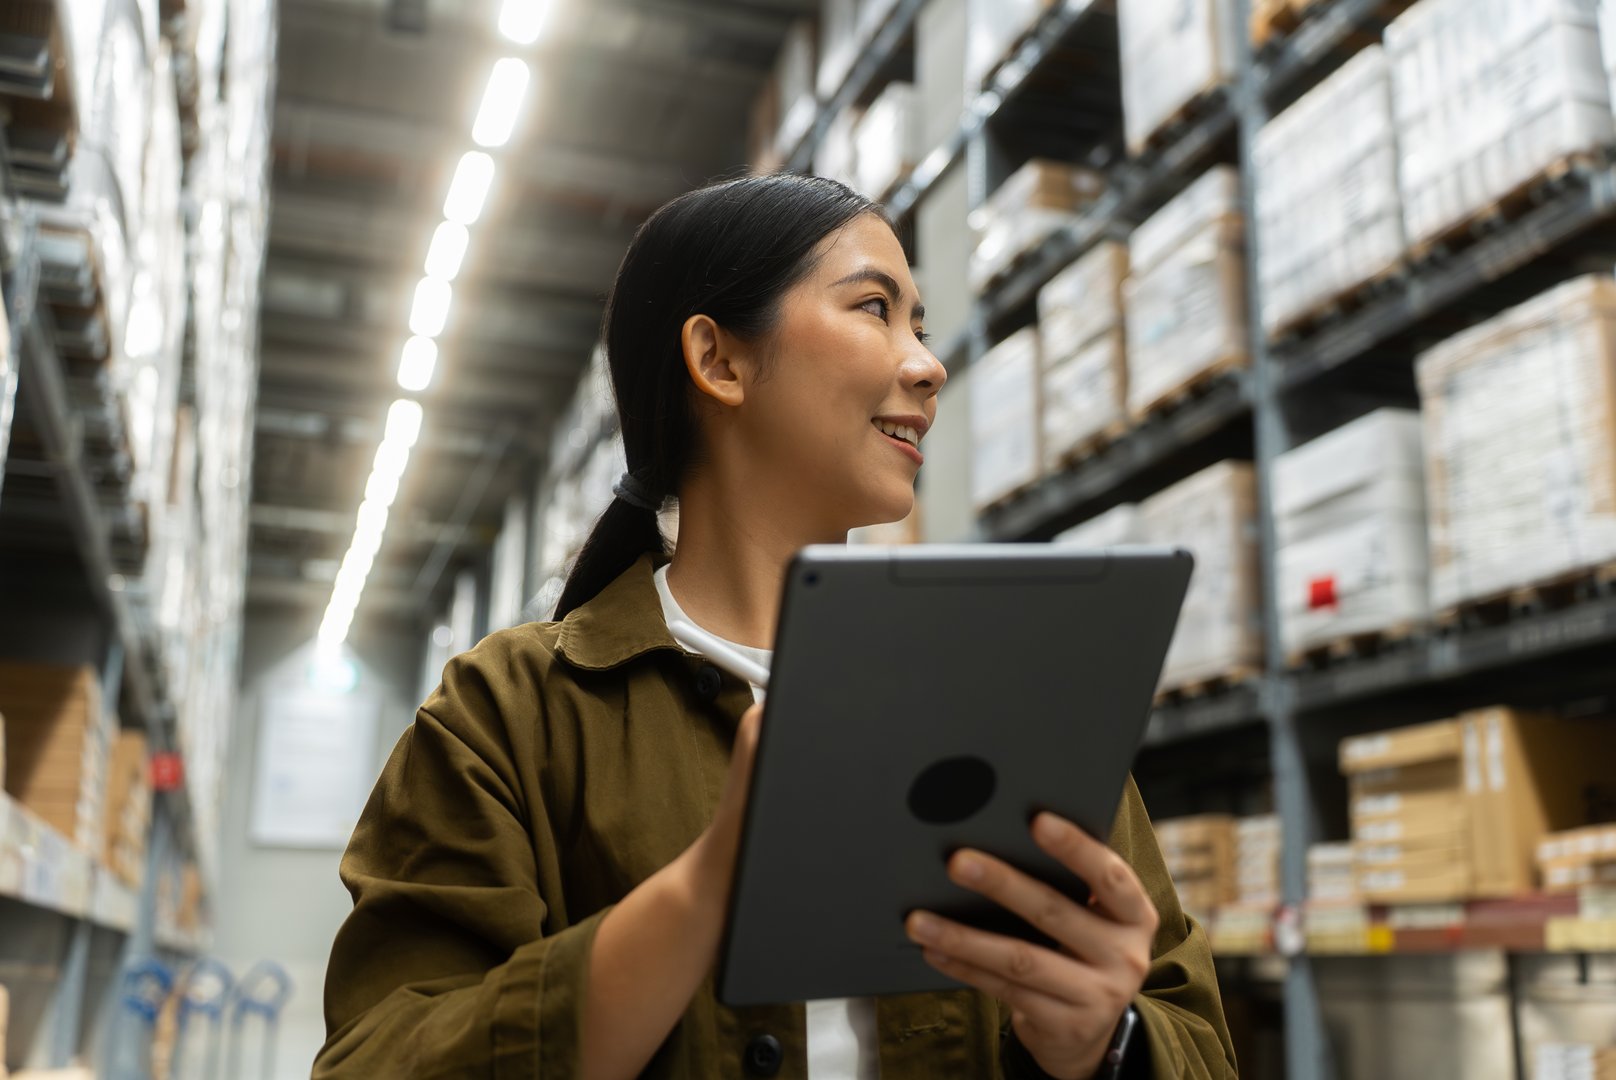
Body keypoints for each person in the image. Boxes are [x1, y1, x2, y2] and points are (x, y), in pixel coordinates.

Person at [315, 174, 1235, 1079]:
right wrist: (707, 887)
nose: (928, 363)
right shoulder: (509, 716)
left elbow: (1193, 1036)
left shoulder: (1011, 695)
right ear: (719, 361)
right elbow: (383, 1056)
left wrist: (1101, 1046)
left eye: (918, 321)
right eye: (875, 308)